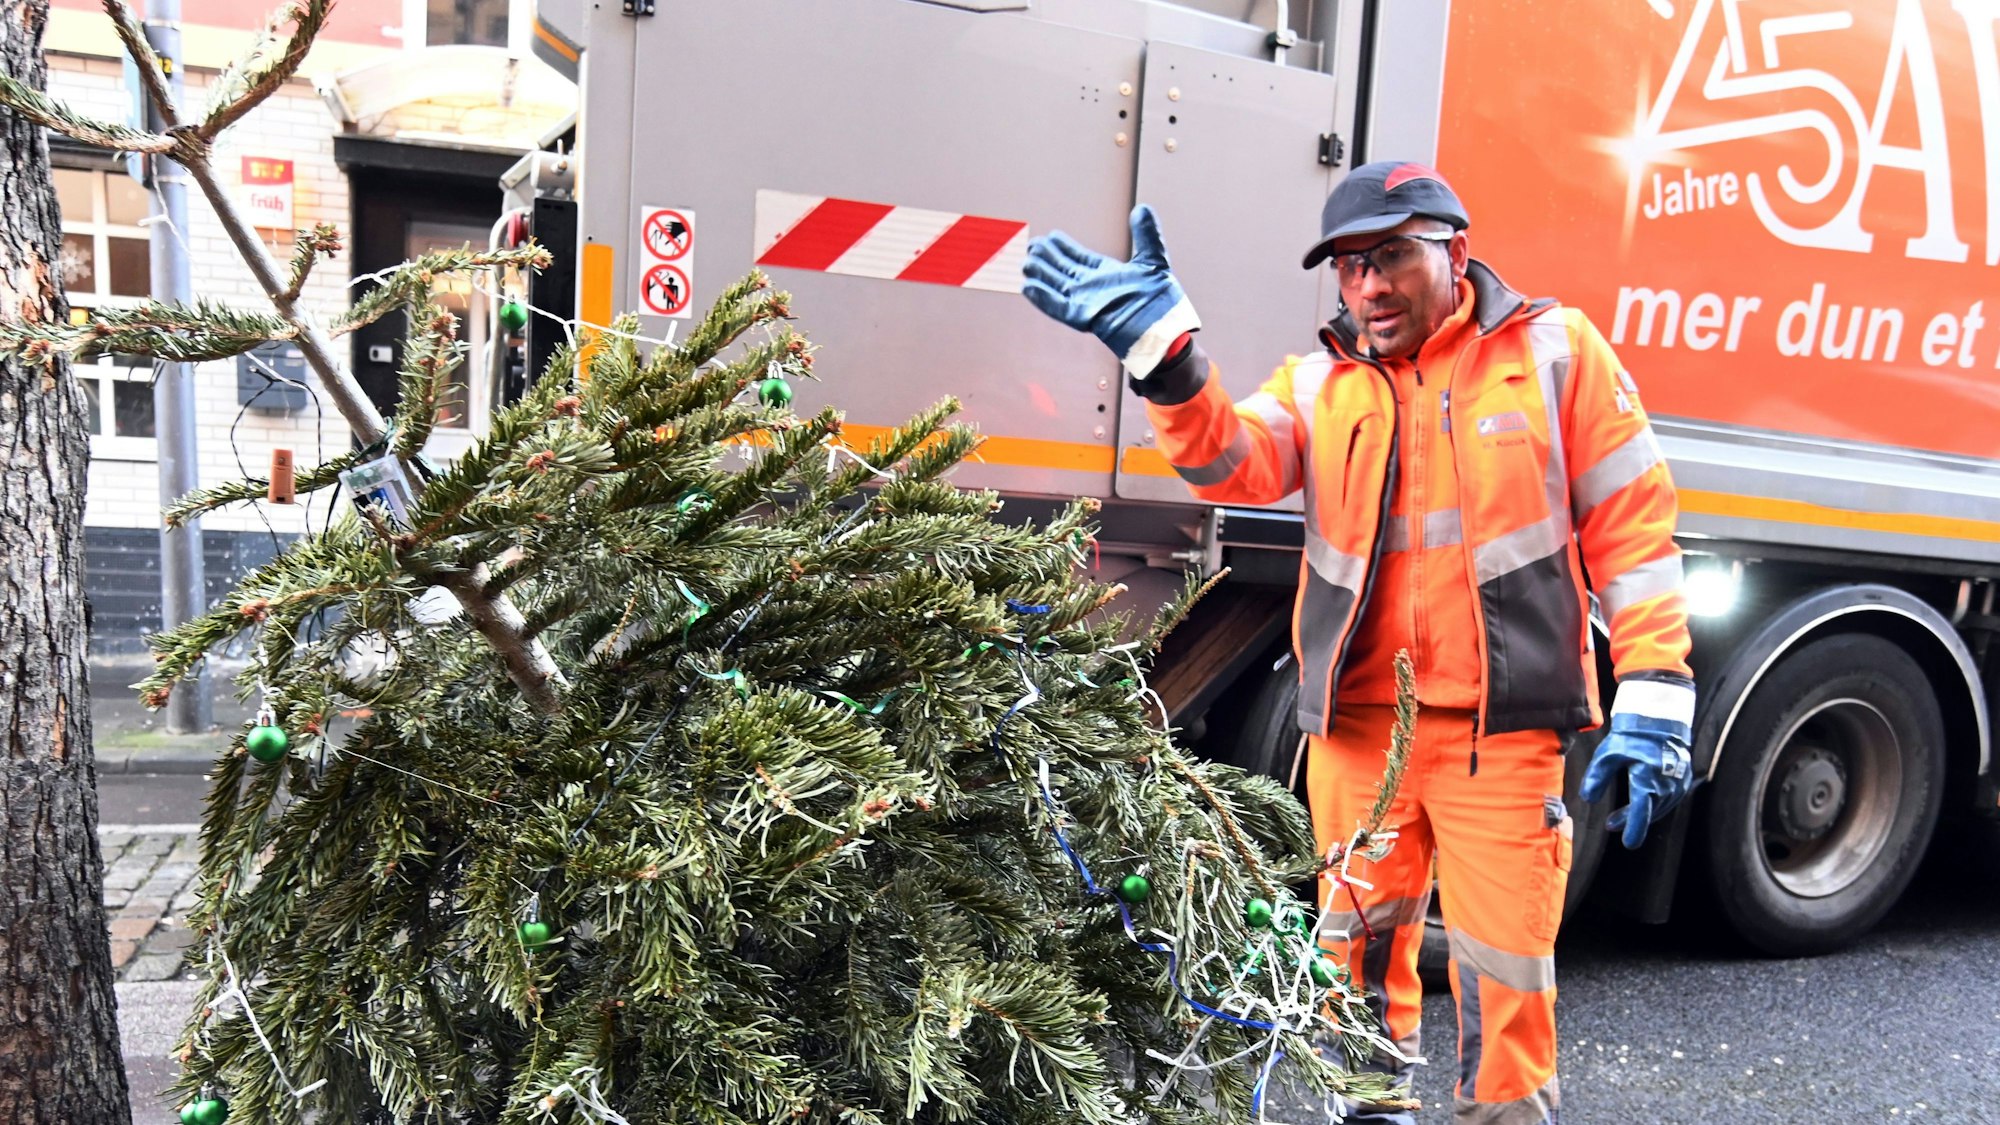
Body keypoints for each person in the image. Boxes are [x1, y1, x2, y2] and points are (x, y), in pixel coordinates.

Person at [1021, 162, 1697, 1123]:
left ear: (1455, 253)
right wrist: (1163, 354)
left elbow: (1632, 525)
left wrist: (1658, 685)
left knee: (1507, 984)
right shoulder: (1321, 382)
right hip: (1357, 734)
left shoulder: (1555, 352)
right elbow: (1231, 462)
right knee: (1356, 975)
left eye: (1389, 257)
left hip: (1501, 736)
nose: (1368, 285)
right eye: (1347, 267)